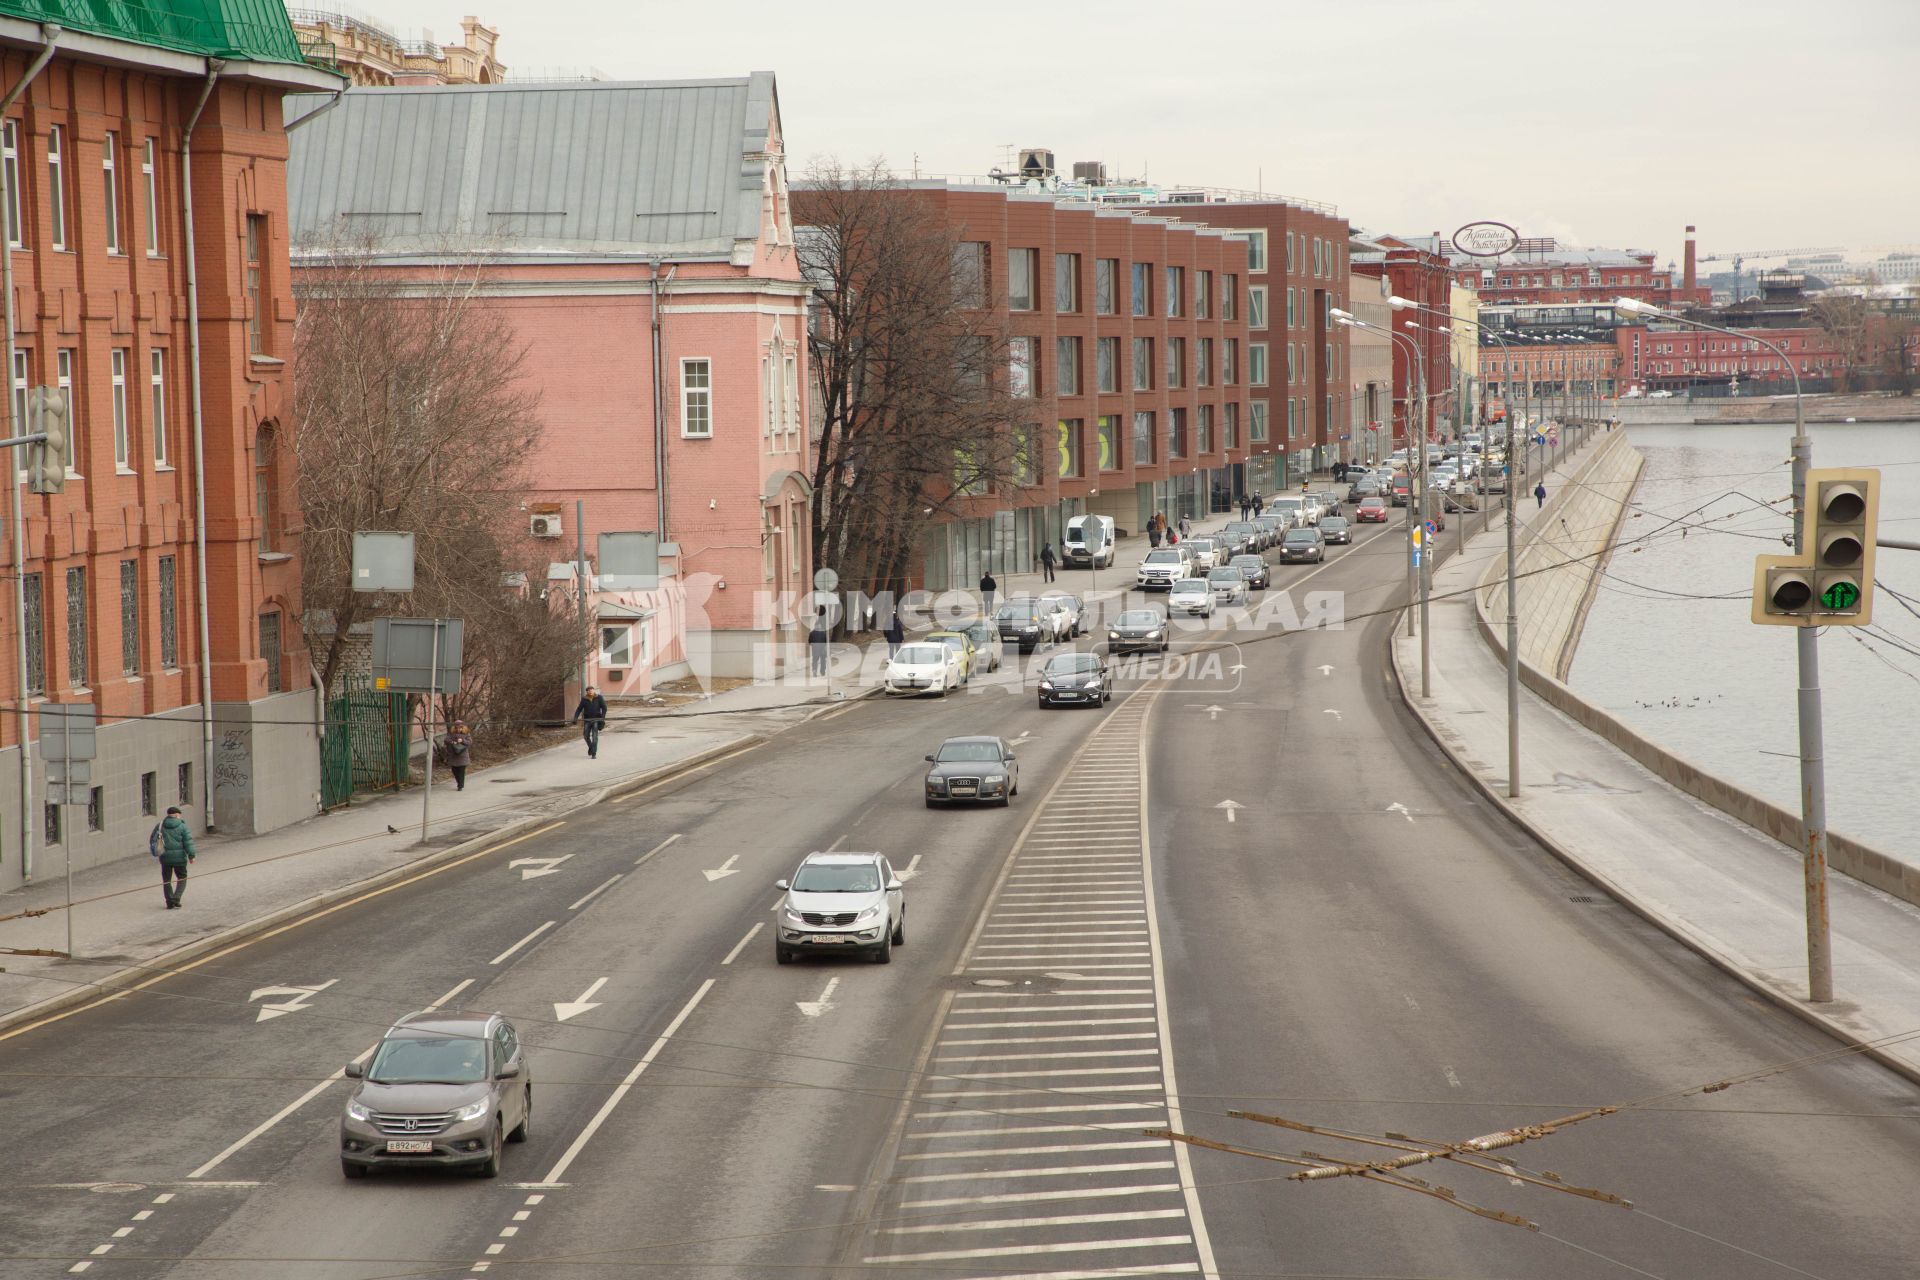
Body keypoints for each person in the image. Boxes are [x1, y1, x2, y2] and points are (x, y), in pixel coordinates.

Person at [150, 805, 196, 909]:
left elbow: (153, 839)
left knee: (166, 880)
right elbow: (188, 842)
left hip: (165, 858)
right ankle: (176, 898)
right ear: (176, 815)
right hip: (180, 858)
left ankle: (169, 901)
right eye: (179, 815)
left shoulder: (160, 825)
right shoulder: (182, 826)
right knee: (182, 878)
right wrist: (191, 855)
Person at [570, 685, 608, 758]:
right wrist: (575, 718)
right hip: (587, 720)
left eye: (591, 690)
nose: (590, 691)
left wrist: (602, 718)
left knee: (594, 737)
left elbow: (604, 708)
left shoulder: (599, 697)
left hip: (596, 720)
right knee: (586, 736)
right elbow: (579, 709)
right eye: (588, 690)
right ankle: (591, 747)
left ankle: (594, 753)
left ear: (594, 690)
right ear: (587, 692)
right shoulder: (584, 699)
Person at [444, 720, 473, 791]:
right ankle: (459, 782)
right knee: (454, 770)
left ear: (463, 727)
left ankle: (460, 785)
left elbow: (469, 742)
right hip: (453, 755)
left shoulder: (466, 733)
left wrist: (462, 741)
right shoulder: (451, 733)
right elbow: (446, 740)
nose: (458, 729)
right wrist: (452, 742)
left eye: (460, 727)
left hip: (462, 755)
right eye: (457, 727)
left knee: (461, 771)